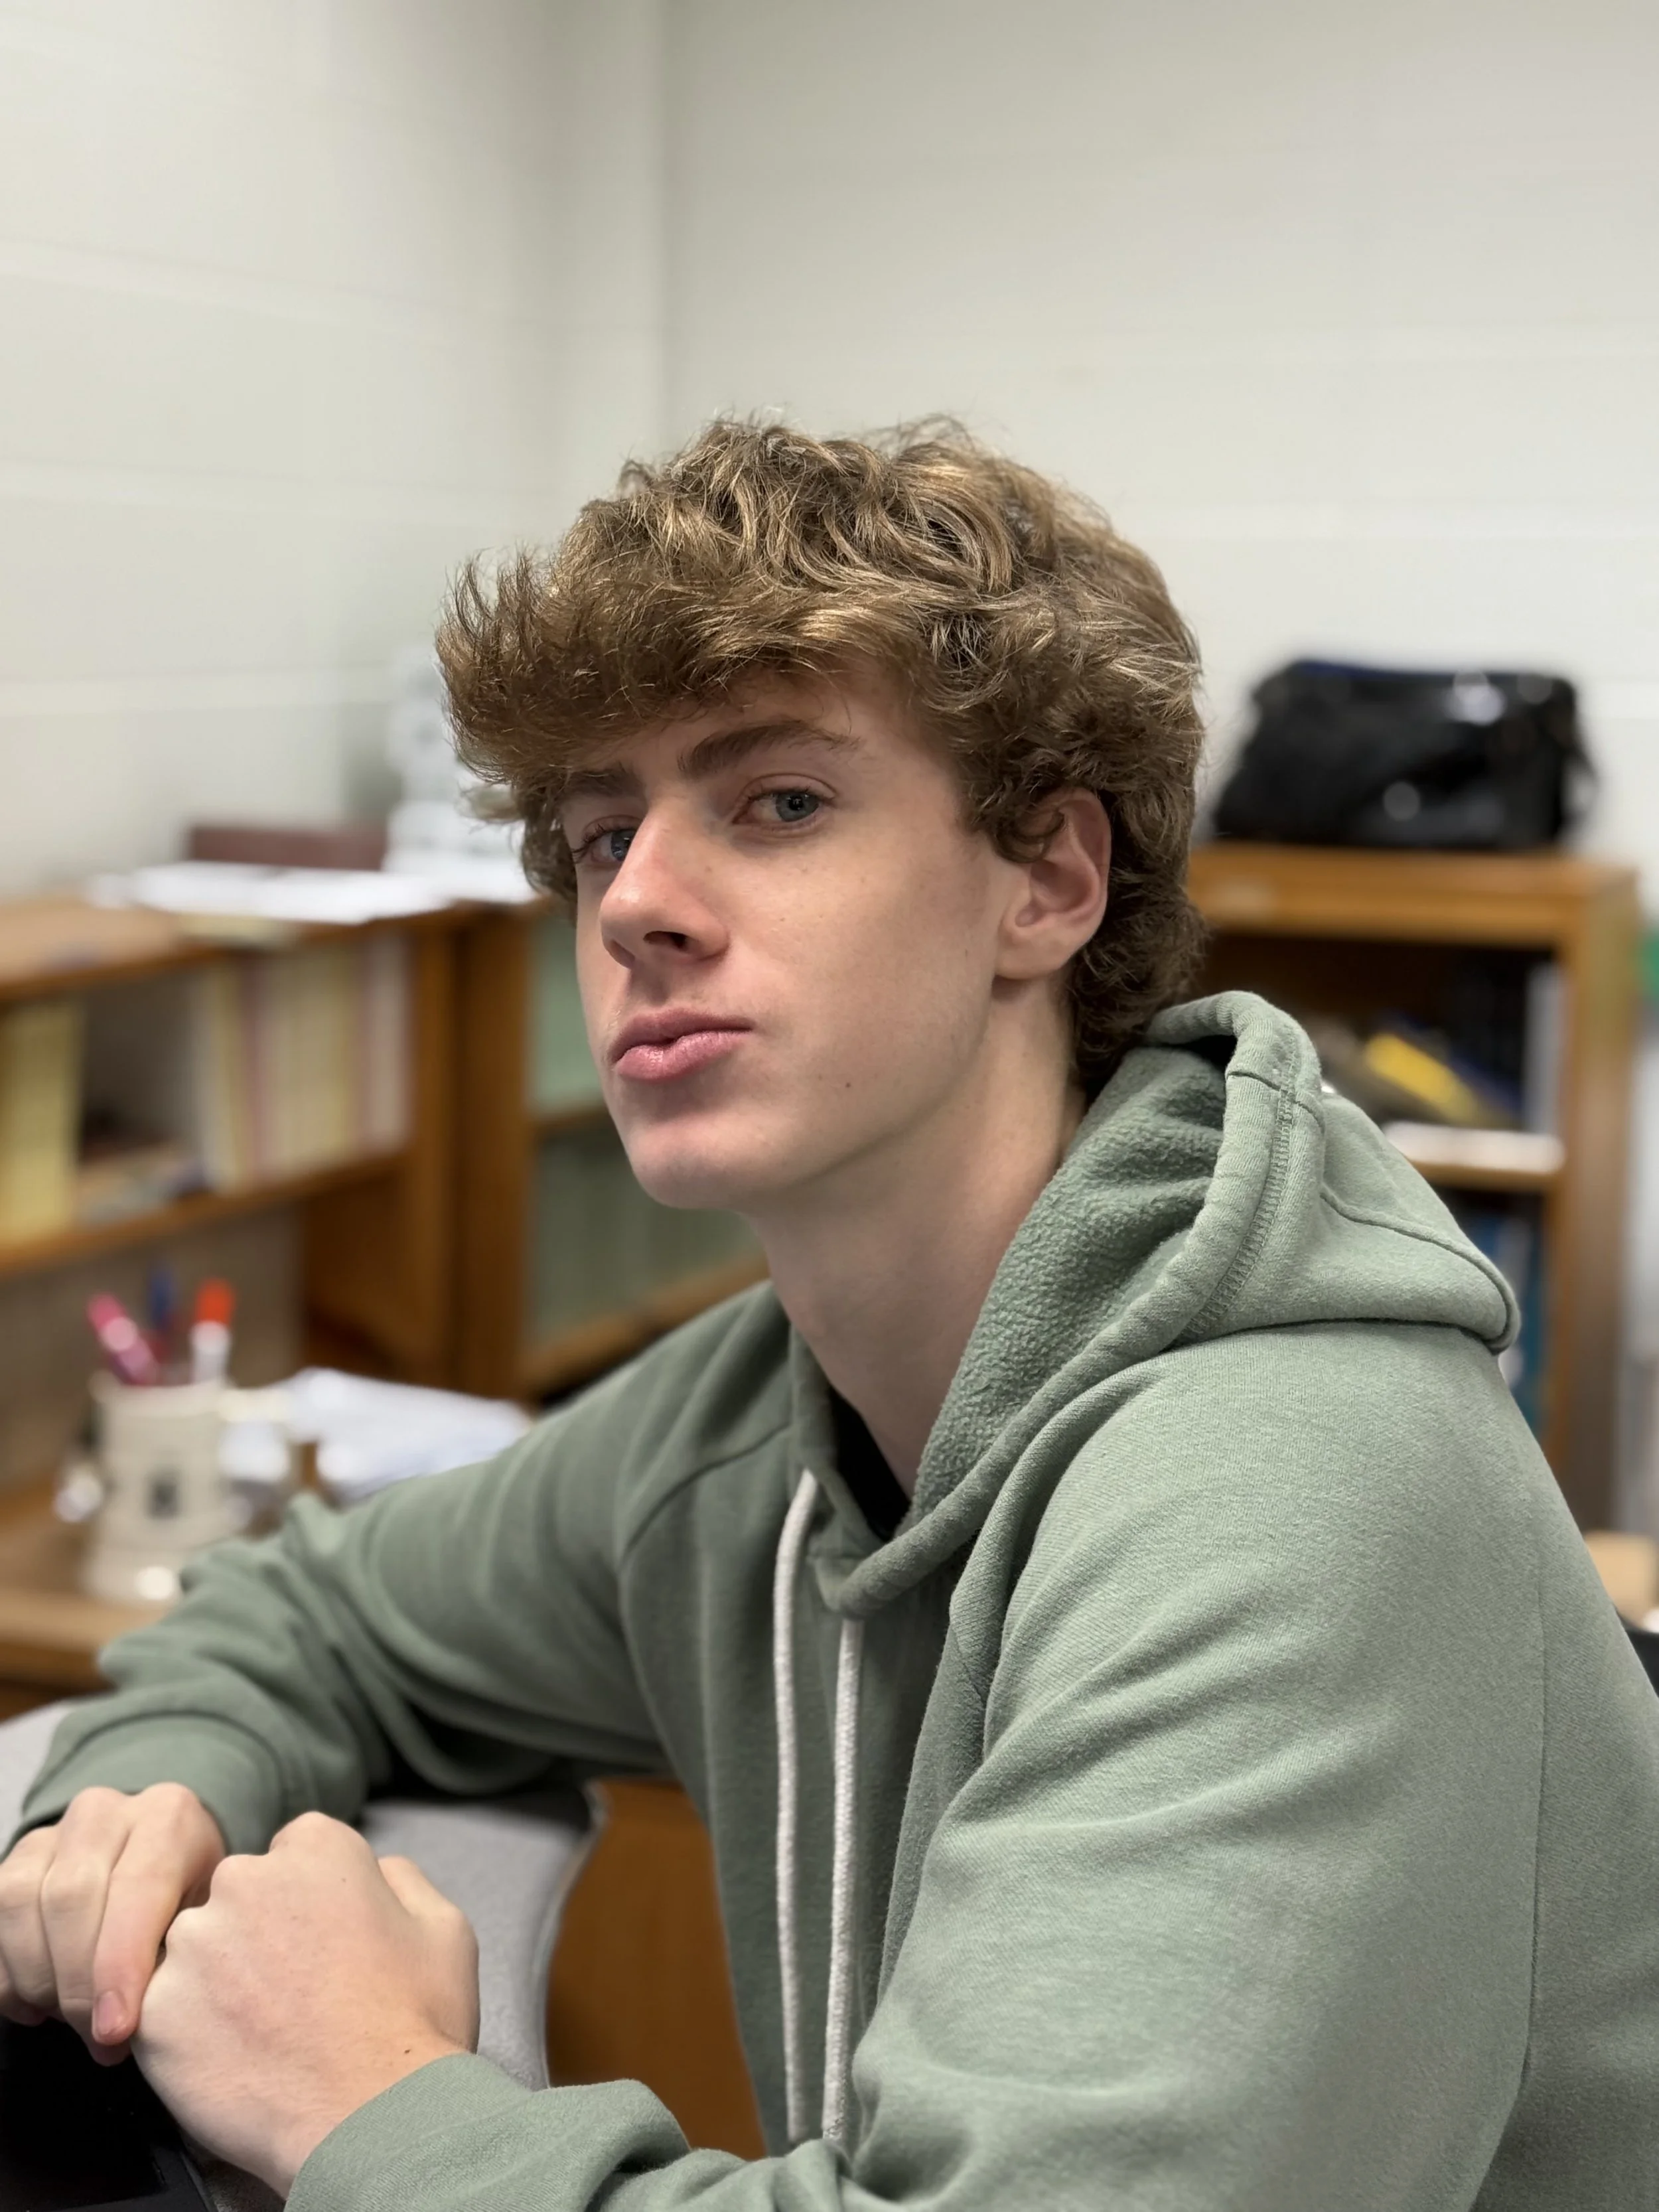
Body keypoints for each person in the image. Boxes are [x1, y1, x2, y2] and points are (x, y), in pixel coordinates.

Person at [2, 421, 1657, 2211]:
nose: (633, 900)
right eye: (598, 831)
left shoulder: (1290, 1490)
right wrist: (141, 1800)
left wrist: (367, 2096)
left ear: (1048, 881)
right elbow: (314, 1609)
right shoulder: (763, 1415)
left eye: (775, 801)